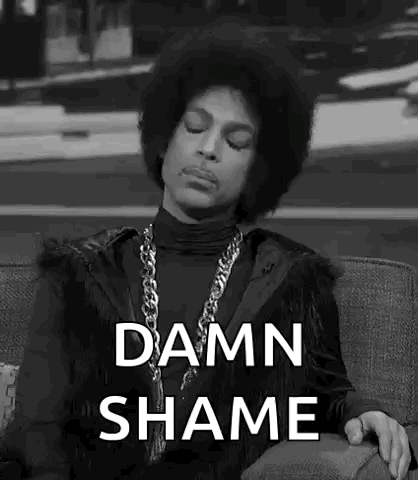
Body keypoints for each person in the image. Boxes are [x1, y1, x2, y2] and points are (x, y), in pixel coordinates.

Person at [1, 18, 417, 480]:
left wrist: (364, 412)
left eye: (236, 141)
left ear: (260, 167)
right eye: (195, 127)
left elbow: (326, 391)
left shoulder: (292, 281)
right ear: (165, 137)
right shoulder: (79, 274)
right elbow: (39, 432)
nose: (208, 149)